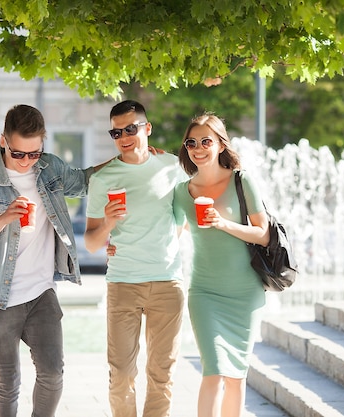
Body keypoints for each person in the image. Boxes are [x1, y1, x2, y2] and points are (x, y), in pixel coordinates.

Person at [0, 104, 109, 417]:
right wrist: (4, 218)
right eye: (19, 154)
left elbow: (85, 181)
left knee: (53, 374)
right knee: (7, 381)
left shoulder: (50, 168)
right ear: (3, 141)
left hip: (42, 292)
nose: (27, 161)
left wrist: (128, 159)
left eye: (35, 153)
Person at [84, 99, 188, 417]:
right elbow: (90, 243)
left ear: (147, 128)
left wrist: (164, 244)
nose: (125, 136)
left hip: (168, 282)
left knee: (162, 375)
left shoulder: (171, 166)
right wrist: (109, 224)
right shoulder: (103, 179)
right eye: (116, 132)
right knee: (122, 375)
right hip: (123, 283)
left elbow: (180, 219)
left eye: (131, 128)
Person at [173, 113, 269, 417]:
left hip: (245, 293)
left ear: (220, 145)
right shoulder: (181, 192)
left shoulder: (242, 180)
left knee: (236, 376)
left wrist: (223, 224)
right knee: (213, 370)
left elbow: (263, 235)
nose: (198, 148)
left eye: (206, 141)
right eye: (191, 142)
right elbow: (170, 236)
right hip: (205, 293)